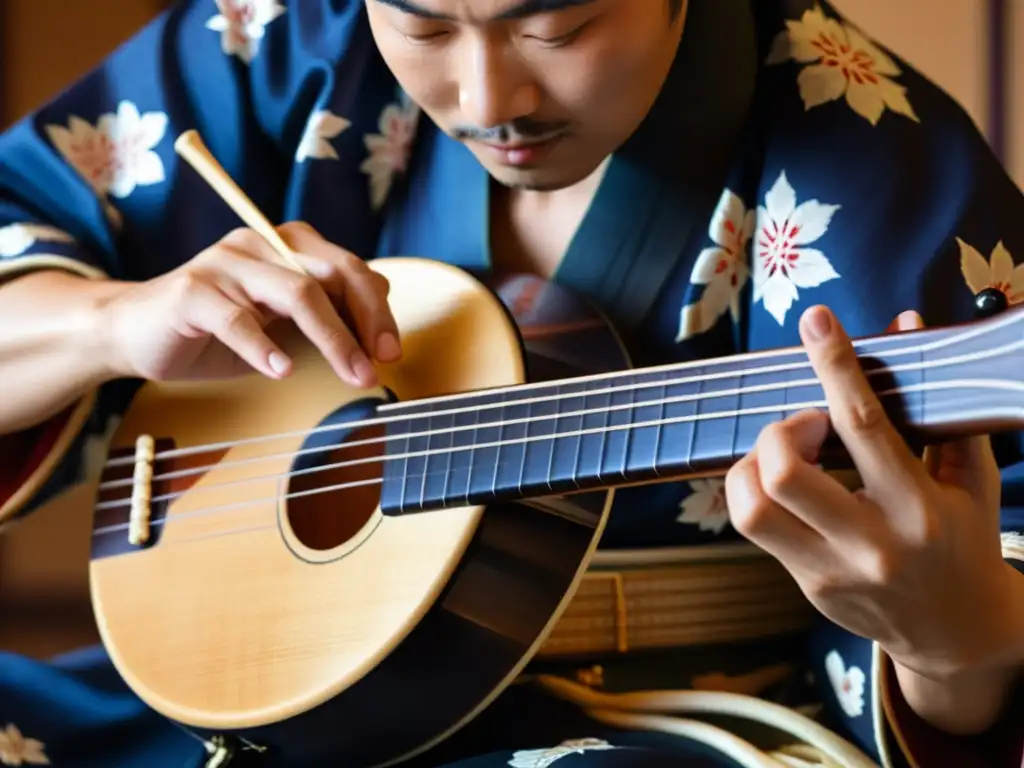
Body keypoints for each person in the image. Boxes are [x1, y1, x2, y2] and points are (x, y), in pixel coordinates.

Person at [0, 0, 1022, 765]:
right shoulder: (295, 42)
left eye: (558, 22)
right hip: (244, 689)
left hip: (644, 726)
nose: (487, 100)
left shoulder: (879, 172)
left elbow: (982, 632)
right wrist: (110, 321)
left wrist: (957, 648)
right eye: (424, 24)